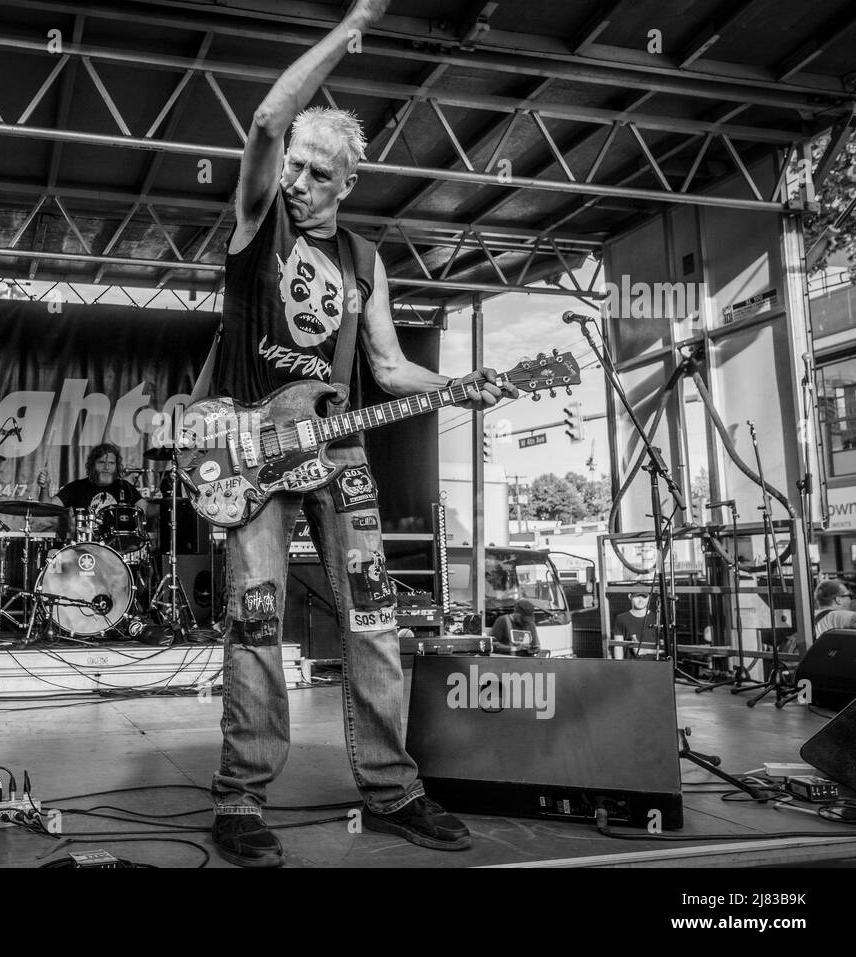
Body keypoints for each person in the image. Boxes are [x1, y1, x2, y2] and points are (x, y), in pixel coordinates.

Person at [204, 0, 516, 867]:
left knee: (376, 620)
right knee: (257, 622)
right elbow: (268, 119)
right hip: (254, 448)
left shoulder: (364, 260)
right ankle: (238, 797)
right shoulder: (256, 224)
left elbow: (385, 366)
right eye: (296, 166)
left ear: (346, 185)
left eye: (316, 173)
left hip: (339, 450)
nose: (298, 180)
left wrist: (458, 384)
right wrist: (351, 28)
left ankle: (393, 788)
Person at [611, 591, 661, 659]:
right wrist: (620, 667)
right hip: (630, 666)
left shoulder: (657, 618)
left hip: (654, 665)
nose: (641, 600)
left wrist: (645, 650)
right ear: (630, 596)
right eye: (637, 596)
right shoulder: (621, 618)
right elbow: (618, 647)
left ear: (649, 597)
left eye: (644, 597)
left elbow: (665, 648)